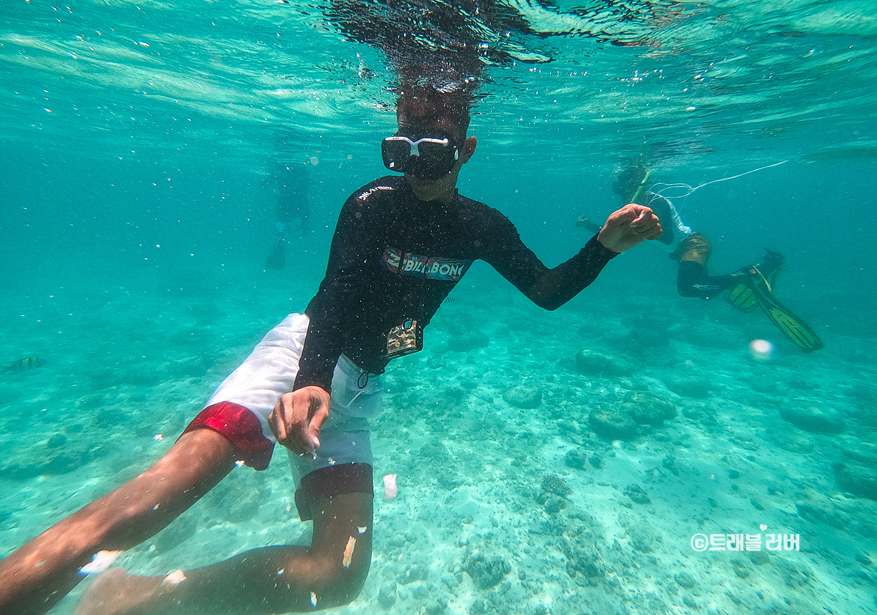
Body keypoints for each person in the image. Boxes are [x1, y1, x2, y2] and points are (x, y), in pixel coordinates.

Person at [0, 85, 662, 615]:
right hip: (297, 361)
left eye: (434, 152)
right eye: (402, 151)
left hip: (361, 389)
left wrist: (601, 249)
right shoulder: (371, 203)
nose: (417, 168)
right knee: (155, 496)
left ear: (466, 149)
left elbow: (545, 291)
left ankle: (137, 599)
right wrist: (310, 379)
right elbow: (337, 292)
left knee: (336, 575)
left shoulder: (480, 226)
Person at [576, 162, 822, 351]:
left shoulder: (652, 201)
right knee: (701, 290)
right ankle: (762, 268)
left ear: (635, 183)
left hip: (692, 244)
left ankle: (746, 275)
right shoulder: (636, 202)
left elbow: (666, 237)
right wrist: (591, 225)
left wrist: (636, 231)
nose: (621, 192)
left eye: (624, 185)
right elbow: (613, 235)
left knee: (689, 287)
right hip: (682, 249)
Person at [265, 162, 312, 271]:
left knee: (282, 220)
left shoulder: (284, 171)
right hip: (297, 203)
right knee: (289, 219)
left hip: (286, 202)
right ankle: (279, 241)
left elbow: (271, 179)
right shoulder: (300, 172)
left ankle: (279, 241)